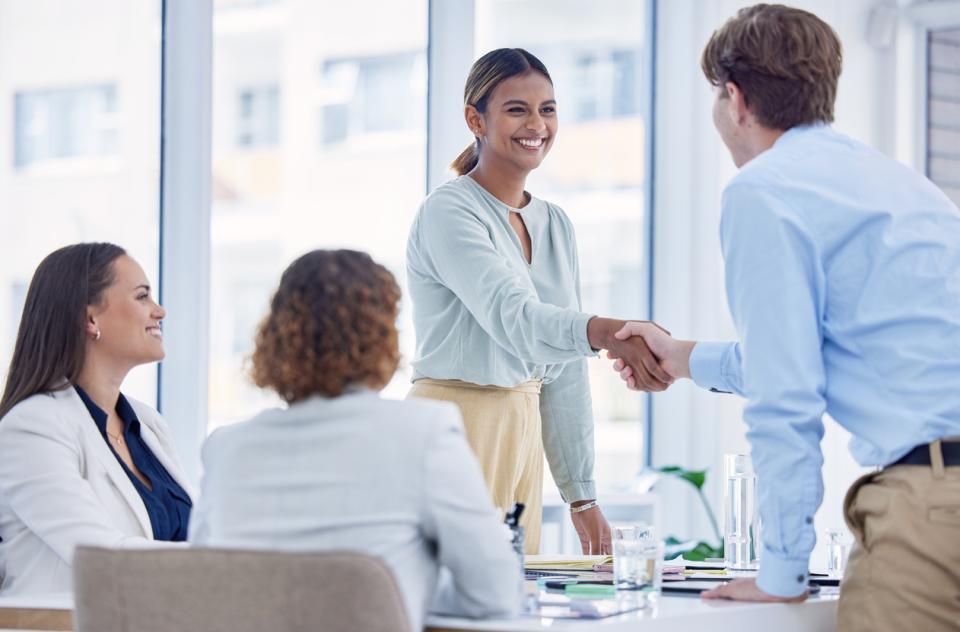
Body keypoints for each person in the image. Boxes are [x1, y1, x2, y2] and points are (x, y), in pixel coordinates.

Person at [612, 5, 960, 631]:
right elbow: (837, 352)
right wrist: (681, 356)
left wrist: (781, 573)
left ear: (736, 99)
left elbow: (785, 396)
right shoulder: (898, 184)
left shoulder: (764, 190)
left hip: (932, 509)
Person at [406, 47, 671, 555]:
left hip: (520, 431)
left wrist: (581, 497)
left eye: (548, 109)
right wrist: (611, 331)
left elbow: (564, 364)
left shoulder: (555, 223)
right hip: (453, 426)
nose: (537, 124)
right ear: (474, 119)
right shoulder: (448, 212)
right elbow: (518, 321)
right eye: (516, 109)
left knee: (510, 601)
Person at [188, 249, 520, 632]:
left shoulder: (226, 448)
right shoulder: (424, 433)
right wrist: (411, 587)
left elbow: (206, 584)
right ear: (382, 339)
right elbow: (494, 594)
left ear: (275, 338)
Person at [0, 243, 194, 596]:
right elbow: (99, 555)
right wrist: (226, 562)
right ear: (90, 319)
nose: (160, 311)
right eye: (142, 297)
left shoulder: (148, 425)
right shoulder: (31, 429)